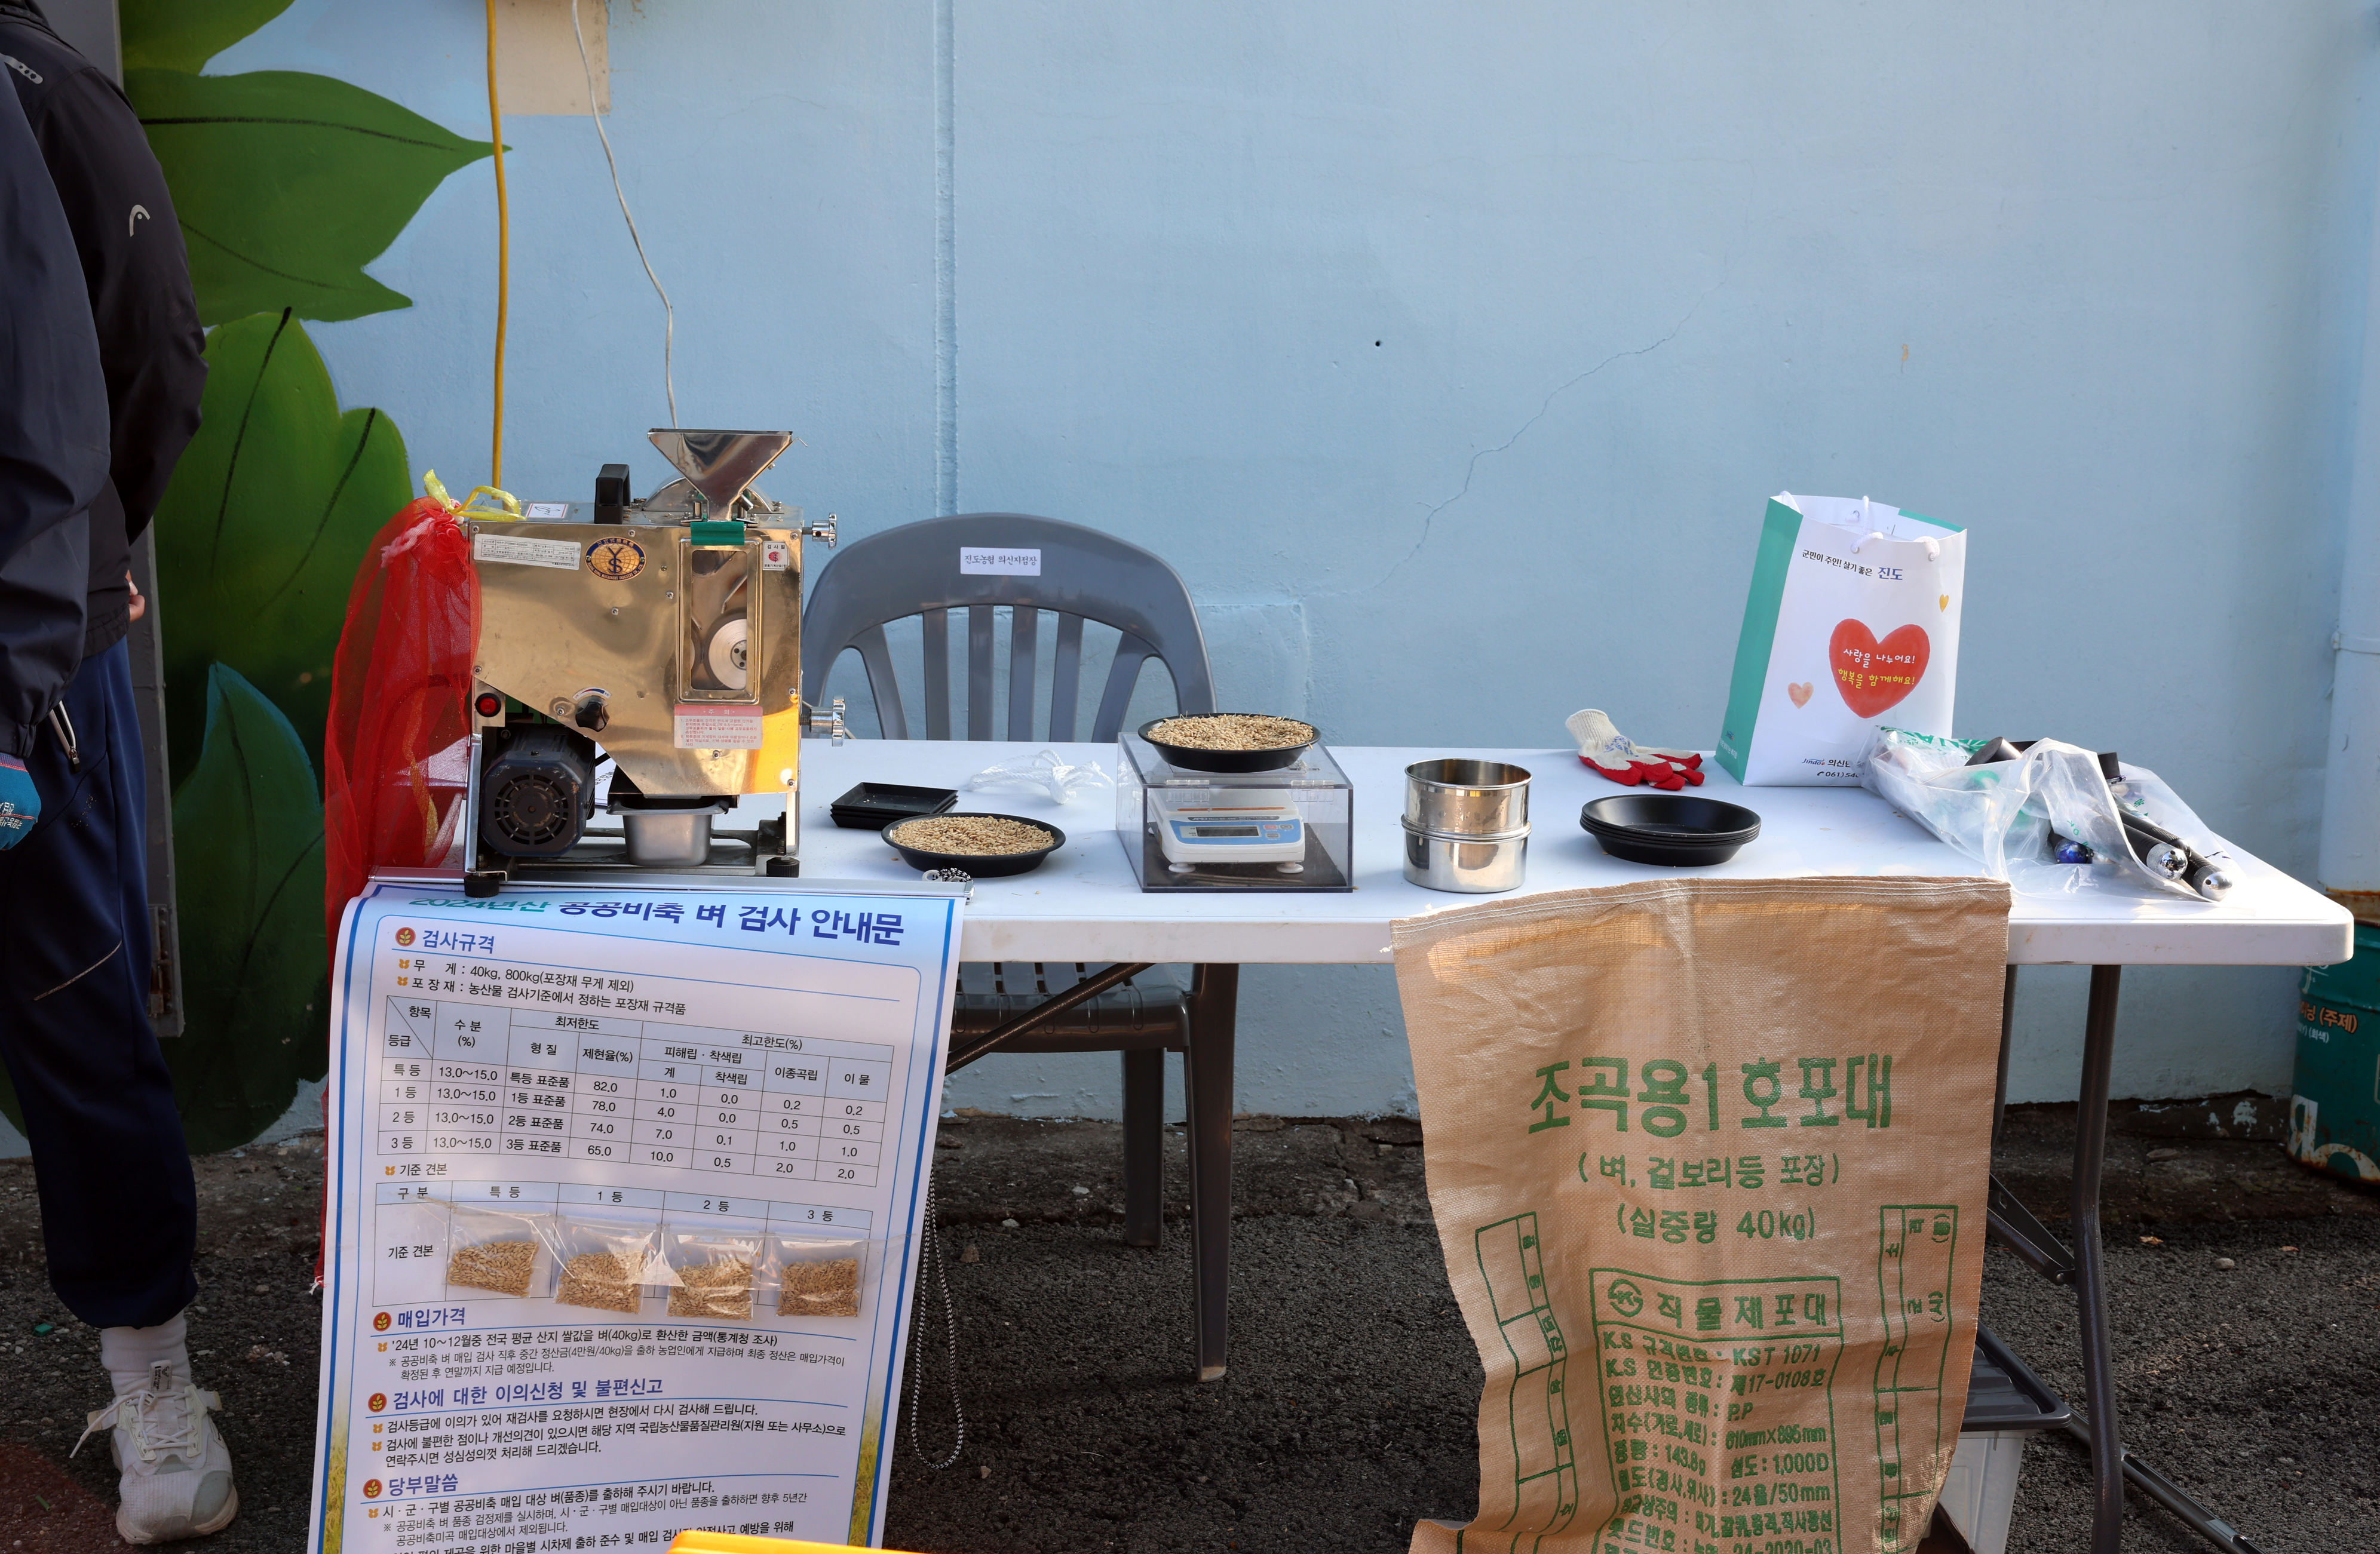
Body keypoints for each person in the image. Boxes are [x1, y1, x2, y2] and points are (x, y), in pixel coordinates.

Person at [1, 2, 226, 1542]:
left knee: (74, 1022)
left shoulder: (30, 93)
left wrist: (63, 593)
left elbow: (114, 366)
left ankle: (158, 1391)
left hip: (16, 676)